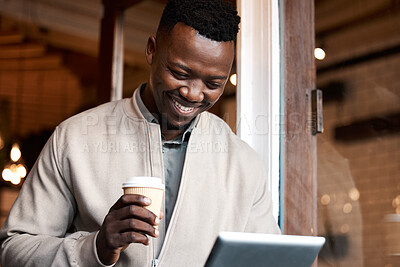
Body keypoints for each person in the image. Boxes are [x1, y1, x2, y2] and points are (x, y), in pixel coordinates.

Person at [0, 0, 280, 266]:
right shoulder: (73, 139)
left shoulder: (244, 163)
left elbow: (270, 259)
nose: (193, 94)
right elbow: (13, 251)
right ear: (151, 50)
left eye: (213, 83)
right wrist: (96, 248)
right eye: (180, 73)